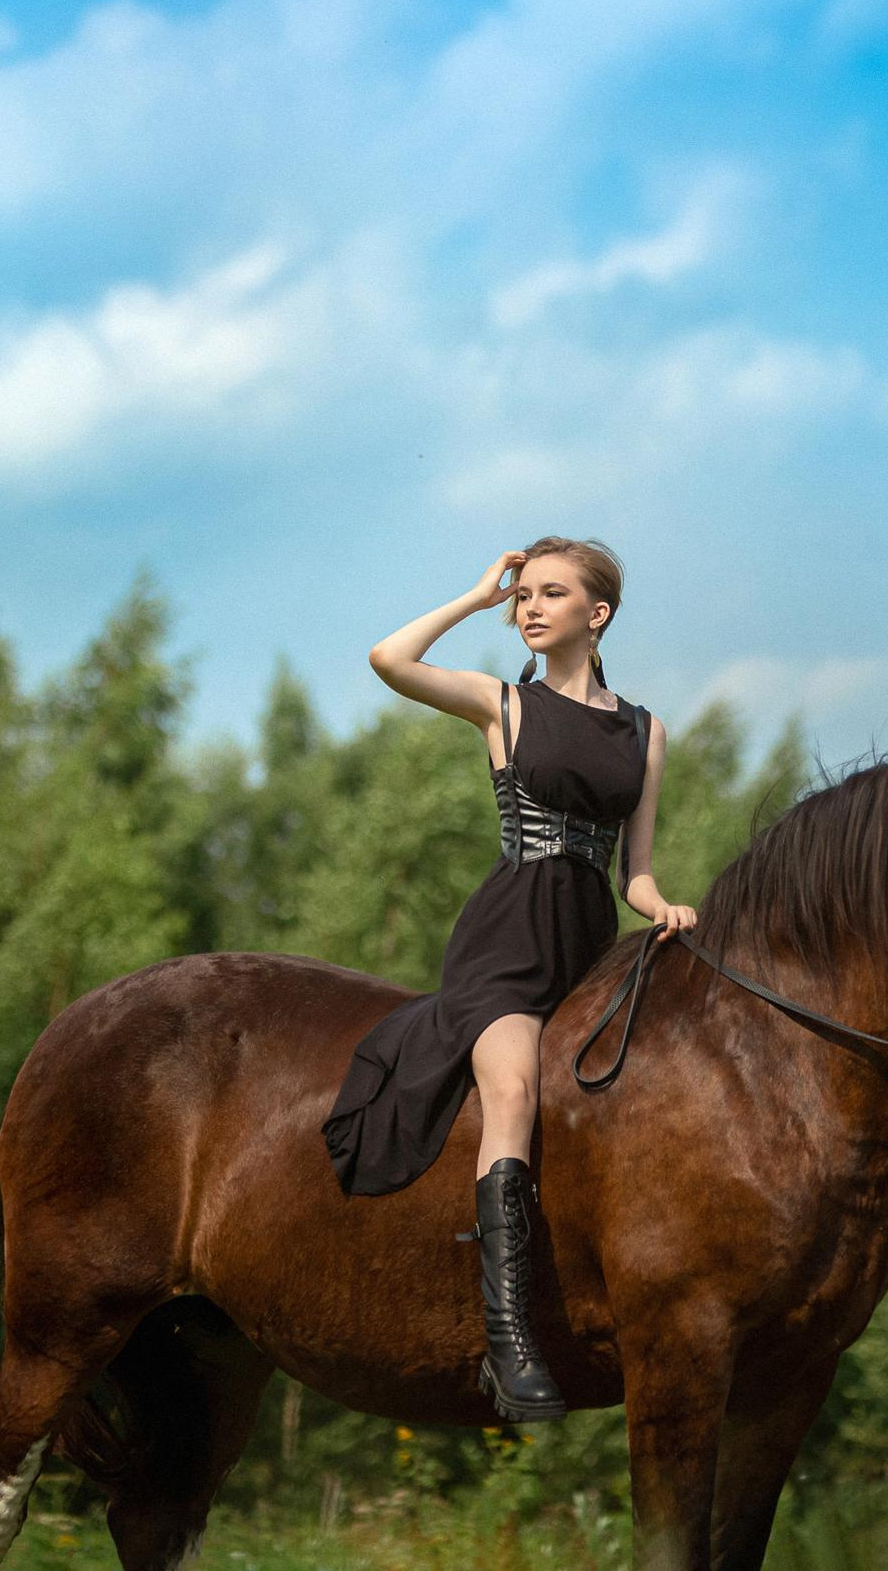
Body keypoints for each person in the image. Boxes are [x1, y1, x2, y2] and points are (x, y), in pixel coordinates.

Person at [321, 536, 696, 1423]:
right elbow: (389, 659)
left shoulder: (646, 731)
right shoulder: (501, 705)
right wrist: (474, 595)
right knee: (517, 1087)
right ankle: (509, 1344)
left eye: (548, 594)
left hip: (589, 948)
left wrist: (665, 906)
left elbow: (633, 873)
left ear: (595, 615)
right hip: (504, 946)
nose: (529, 607)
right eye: (523, 595)